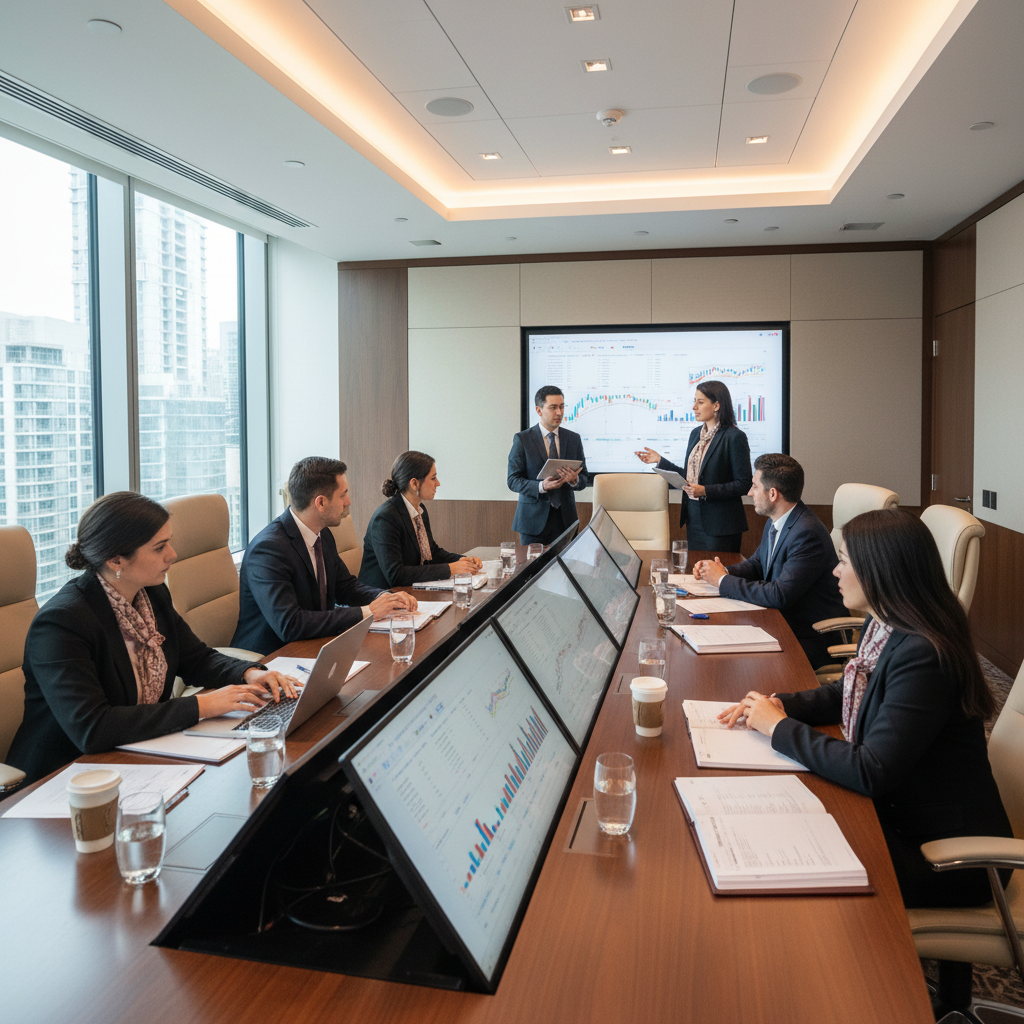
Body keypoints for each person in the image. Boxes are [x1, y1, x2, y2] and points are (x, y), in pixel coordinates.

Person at [719, 508, 1012, 909]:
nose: (835, 572)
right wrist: (778, 706)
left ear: (880, 569)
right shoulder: (887, 624)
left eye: (843, 561)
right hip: (902, 815)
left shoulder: (924, 652)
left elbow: (871, 770)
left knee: (777, 870)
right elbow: (846, 692)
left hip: (943, 855)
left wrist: (780, 728)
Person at [7, 492, 299, 786]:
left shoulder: (150, 593)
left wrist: (248, 673)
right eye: (159, 547)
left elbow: (195, 658)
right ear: (116, 559)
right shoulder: (62, 623)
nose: (172, 555)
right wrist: (203, 706)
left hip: (139, 751)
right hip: (66, 776)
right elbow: (92, 728)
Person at [232, 456, 416, 654]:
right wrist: (369, 612)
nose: (348, 501)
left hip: (317, 643)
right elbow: (290, 624)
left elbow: (345, 586)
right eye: (343, 495)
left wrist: (386, 597)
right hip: (271, 658)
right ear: (320, 503)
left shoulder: (322, 533)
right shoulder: (268, 549)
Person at [691, 453, 845, 668]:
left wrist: (722, 581)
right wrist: (719, 571)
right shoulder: (778, 520)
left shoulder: (807, 533)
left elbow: (779, 595)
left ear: (772, 494)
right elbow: (757, 564)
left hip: (807, 638)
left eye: (754, 486)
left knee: (728, 664)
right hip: (779, 623)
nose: (749, 492)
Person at [635, 379, 751, 552]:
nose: (694, 407)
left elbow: (744, 483)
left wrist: (705, 491)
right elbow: (690, 477)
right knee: (696, 574)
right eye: (694, 401)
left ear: (717, 405)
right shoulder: (695, 434)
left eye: (700, 402)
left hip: (721, 525)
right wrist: (660, 460)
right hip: (694, 518)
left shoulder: (734, 437)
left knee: (715, 575)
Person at [359, 451, 482, 588]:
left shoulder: (419, 509)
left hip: (408, 591)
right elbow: (396, 575)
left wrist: (462, 560)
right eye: (433, 478)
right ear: (414, 483)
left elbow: (432, 553)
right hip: (381, 596)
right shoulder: (385, 518)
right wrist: (451, 569)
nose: (438, 483)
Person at [508, 386, 590, 545]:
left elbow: (584, 478)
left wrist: (574, 480)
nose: (559, 412)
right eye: (553, 407)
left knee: (566, 569)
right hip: (532, 522)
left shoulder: (573, 439)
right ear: (539, 410)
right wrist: (541, 487)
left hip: (566, 521)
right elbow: (513, 480)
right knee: (533, 569)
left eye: (562, 406)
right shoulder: (523, 439)